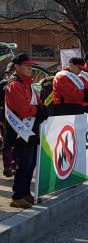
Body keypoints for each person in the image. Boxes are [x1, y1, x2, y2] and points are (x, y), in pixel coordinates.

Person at [4, 53, 48, 208]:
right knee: (23, 164)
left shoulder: (28, 84)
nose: (30, 68)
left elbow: (38, 102)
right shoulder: (14, 85)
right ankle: (17, 196)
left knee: (31, 164)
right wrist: (39, 110)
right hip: (20, 132)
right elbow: (23, 110)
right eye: (27, 66)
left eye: (31, 65)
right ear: (17, 67)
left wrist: (41, 108)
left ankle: (25, 193)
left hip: (31, 131)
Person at [0, 62, 16, 177]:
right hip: (10, 117)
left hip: (5, 117)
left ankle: (9, 166)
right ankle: (10, 166)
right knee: (11, 143)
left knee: (7, 143)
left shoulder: (3, 83)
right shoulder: (8, 84)